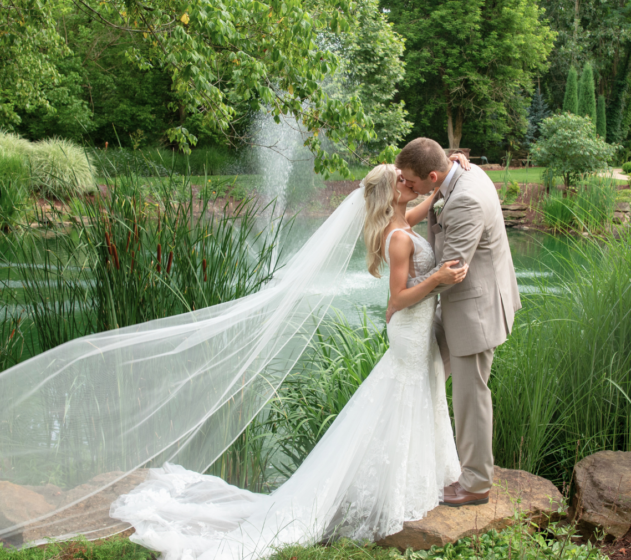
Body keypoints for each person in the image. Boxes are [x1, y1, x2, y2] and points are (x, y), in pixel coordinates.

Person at [108, 155, 474, 559]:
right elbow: (398, 299)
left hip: (414, 329)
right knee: (402, 395)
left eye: (408, 178)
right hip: (408, 328)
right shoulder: (399, 236)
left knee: (411, 393)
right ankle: (393, 487)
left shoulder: (402, 220)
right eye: (400, 180)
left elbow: (428, 195)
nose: (408, 181)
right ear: (391, 195)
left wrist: (447, 166)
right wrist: (438, 278)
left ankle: (409, 479)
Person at [392, 138, 521, 507]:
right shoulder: (457, 174)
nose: (410, 188)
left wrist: (399, 295)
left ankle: (477, 484)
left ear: (432, 176)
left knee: (470, 395)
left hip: (474, 309)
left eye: (413, 183)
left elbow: (450, 270)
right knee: (417, 369)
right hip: (456, 306)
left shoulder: (463, 198)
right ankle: (417, 460)